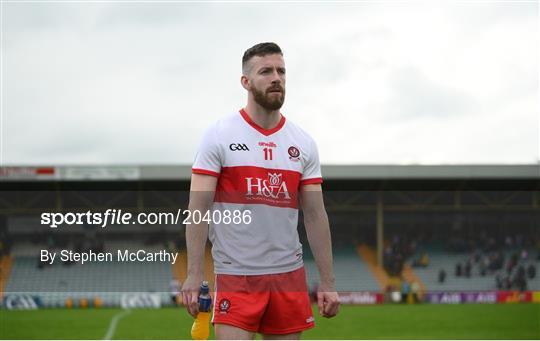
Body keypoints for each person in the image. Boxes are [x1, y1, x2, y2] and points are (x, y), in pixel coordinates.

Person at [181, 42, 340, 340]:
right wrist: (194, 274)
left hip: (288, 276)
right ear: (245, 81)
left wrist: (328, 282)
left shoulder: (303, 143)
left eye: (281, 71)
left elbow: (316, 215)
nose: (276, 77)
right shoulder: (218, 135)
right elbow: (197, 209)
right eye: (266, 71)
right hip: (236, 274)